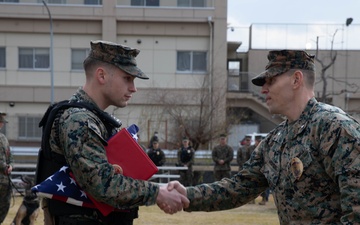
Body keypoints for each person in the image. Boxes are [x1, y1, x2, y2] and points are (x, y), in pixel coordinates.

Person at [166, 50, 360, 224]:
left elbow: (356, 209)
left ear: (296, 80)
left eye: (271, 81)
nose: (263, 89)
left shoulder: (334, 128)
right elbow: (239, 188)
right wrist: (188, 194)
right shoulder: (275, 141)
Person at [35, 40, 188, 225]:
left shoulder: (98, 120)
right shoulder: (79, 120)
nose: (133, 88)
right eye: (127, 78)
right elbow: (103, 184)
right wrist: (157, 192)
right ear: (101, 75)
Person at [0, 112, 13, 224]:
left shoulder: (3, 138)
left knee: (5, 204)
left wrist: (11, 165)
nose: (2, 125)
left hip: (5, 180)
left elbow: (9, 155)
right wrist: (4, 166)